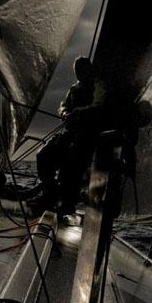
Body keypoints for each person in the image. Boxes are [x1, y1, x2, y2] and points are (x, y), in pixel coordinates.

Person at [35, 56, 105, 214]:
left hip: (87, 136)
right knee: (43, 155)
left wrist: (79, 112)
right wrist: (64, 112)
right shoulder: (74, 88)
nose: (79, 74)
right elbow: (62, 106)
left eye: (81, 70)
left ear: (89, 69)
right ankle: (49, 196)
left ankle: (67, 204)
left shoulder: (98, 85)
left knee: (70, 167)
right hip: (69, 133)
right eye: (76, 71)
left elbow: (98, 105)